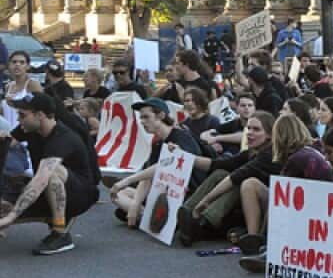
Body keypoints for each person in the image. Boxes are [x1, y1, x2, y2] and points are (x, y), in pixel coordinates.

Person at [0, 93, 99, 254]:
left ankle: (60, 232)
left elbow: (40, 180)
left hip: (80, 194)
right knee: (4, 203)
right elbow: (9, 141)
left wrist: (11, 217)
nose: (18, 119)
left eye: (22, 115)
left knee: (51, 173)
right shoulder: (30, 127)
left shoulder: (63, 138)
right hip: (47, 187)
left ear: (40, 115)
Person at [236, 115, 333, 262]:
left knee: (279, 197)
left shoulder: (297, 159)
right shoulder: (314, 148)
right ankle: (260, 241)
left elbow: (281, 198)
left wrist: (265, 234)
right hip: (323, 206)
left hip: (316, 211)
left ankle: (266, 246)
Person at [177, 111, 275, 246]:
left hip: (270, 210)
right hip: (248, 205)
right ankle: (187, 212)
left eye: (256, 129)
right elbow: (217, 164)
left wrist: (205, 201)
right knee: (220, 173)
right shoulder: (252, 152)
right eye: (248, 128)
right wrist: (184, 156)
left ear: (269, 134)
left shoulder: (270, 154)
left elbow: (236, 177)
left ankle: (203, 223)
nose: (250, 133)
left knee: (240, 181)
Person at [108, 98, 205, 228]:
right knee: (117, 194)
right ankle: (146, 216)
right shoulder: (158, 143)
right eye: (141, 118)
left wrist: (127, 181)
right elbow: (147, 176)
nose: (142, 121)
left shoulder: (181, 136)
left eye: (146, 117)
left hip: (186, 195)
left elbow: (163, 166)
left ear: (161, 115)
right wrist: (135, 203)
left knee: (124, 198)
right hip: (163, 193)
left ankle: (147, 217)